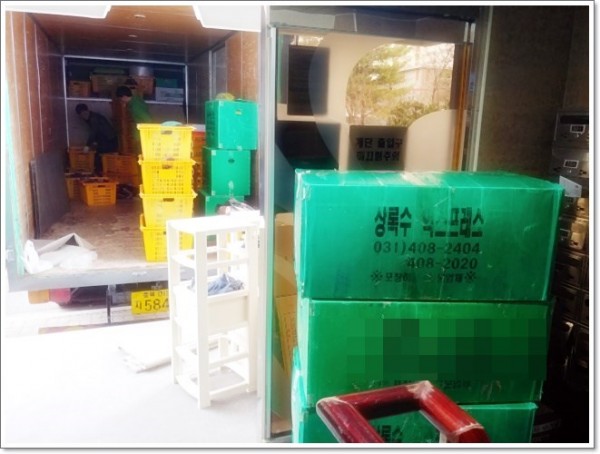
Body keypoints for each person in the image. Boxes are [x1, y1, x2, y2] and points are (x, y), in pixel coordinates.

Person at [75, 103, 118, 174]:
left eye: (84, 113)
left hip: (109, 141)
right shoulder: (92, 117)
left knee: (101, 158)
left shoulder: (93, 118)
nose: (83, 116)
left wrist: (87, 145)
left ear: (87, 111)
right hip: (106, 140)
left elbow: (94, 132)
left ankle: (100, 173)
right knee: (100, 158)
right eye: (81, 115)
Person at [115, 85, 152, 153]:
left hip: (141, 135)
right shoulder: (136, 100)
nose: (121, 101)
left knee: (140, 152)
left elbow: (147, 120)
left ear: (124, 97)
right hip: (141, 134)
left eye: (120, 99)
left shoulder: (135, 106)